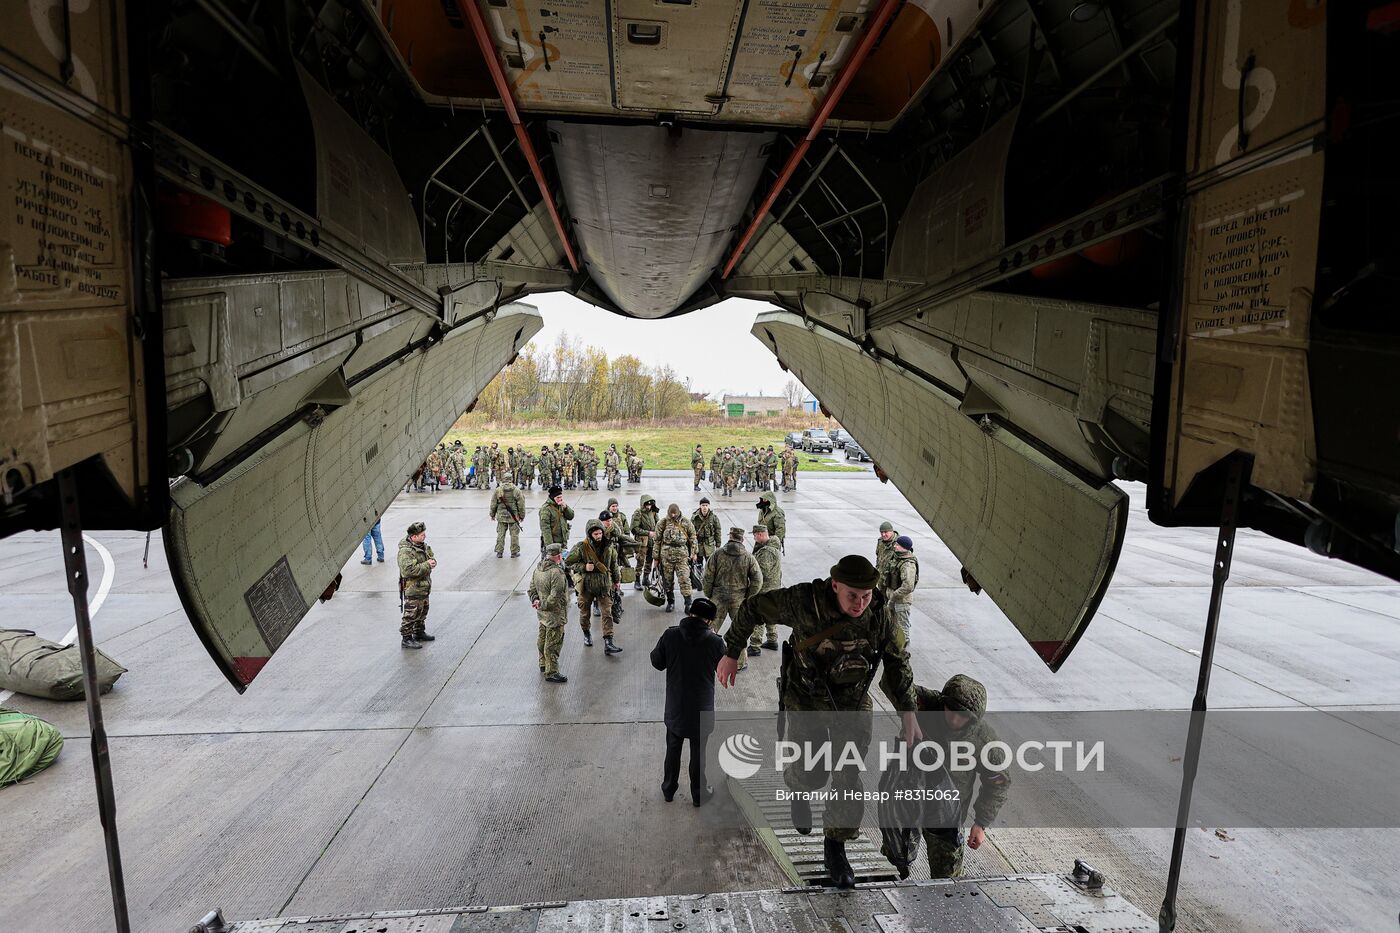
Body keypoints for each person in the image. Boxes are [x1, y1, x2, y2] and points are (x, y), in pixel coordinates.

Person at [716, 555, 921, 888]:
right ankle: (799, 790)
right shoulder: (803, 602)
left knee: (847, 775)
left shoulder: (879, 615)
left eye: (866, 596)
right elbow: (753, 608)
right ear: (835, 585)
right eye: (852, 595)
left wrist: (908, 712)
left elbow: (898, 663)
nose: (859, 604)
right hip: (806, 698)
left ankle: (835, 847)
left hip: (851, 704)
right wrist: (731, 651)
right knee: (809, 768)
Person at [911, 674, 1010, 877]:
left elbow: (998, 783)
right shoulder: (928, 705)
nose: (955, 719)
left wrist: (981, 823)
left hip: (946, 817)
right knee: (896, 860)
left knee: (949, 882)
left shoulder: (984, 741)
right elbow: (896, 686)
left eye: (962, 716)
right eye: (951, 711)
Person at [650, 596, 725, 806]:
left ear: (690, 613)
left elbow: (657, 662)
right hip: (702, 708)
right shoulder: (715, 642)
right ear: (709, 621)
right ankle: (699, 794)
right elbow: (723, 670)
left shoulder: (671, 635)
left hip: (675, 707)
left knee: (673, 750)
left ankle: (668, 789)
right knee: (699, 754)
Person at [702, 527, 761, 668]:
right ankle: (739, 663)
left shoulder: (717, 554)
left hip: (718, 598)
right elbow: (758, 580)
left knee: (709, 629)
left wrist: (709, 594)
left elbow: (707, 577)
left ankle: (706, 659)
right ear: (742, 540)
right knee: (739, 632)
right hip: (739, 600)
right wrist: (747, 597)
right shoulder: (748, 557)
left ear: (730, 537)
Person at [565, 518, 623, 653]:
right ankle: (586, 633)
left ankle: (608, 642)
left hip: (604, 585)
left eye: (600, 533)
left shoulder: (609, 547)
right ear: (590, 534)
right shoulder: (581, 547)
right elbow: (568, 562)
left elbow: (614, 565)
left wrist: (616, 581)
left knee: (607, 613)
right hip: (587, 587)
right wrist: (584, 567)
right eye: (595, 534)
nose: (598, 536)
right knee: (585, 613)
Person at [530, 544, 569, 683]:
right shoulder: (556, 573)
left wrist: (536, 601)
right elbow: (556, 595)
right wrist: (544, 605)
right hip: (555, 614)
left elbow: (531, 588)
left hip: (542, 614)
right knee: (553, 643)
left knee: (542, 639)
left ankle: (543, 663)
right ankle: (551, 671)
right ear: (558, 556)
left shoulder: (538, 569)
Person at [397, 521, 437, 649]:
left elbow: (431, 557)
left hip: (424, 586)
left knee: (422, 611)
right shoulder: (406, 552)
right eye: (421, 534)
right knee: (411, 614)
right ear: (414, 537)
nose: (424, 536)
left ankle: (419, 632)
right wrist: (427, 565)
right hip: (413, 588)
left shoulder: (422, 546)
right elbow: (408, 570)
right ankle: (406, 638)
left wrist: (433, 562)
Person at [654, 503, 697, 613]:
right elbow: (657, 541)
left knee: (684, 580)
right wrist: (656, 558)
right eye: (671, 514)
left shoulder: (686, 522)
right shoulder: (662, 523)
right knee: (667, 581)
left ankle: (688, 603)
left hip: (682, 557)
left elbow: (693, 538)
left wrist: (694, 553)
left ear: (678, 512)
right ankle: (671, 602)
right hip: (666, 557)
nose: (673, 516)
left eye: (675, 513)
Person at [749, 524, 782, 651]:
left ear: (761, 534)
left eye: (755, 535)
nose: (754, 538)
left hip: (765, 590)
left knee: (759, 616)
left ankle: (755, 645)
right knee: (771, 615)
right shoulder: (773, 546)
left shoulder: (767, 552)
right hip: (774, 588)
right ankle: (772, 639)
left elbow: (761, 572)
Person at [883, 536, 919, 633]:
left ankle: (903, 647)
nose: (895, 546)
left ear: (904, 547)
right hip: (894, 599)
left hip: (901, 601)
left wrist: (893, 597)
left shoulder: (908, 564)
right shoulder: (897, 557)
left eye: (897, 545)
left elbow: (908, 586)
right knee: (893, 626)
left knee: (902, 629)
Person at [490, 479, 526, 558]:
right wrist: (522, 516)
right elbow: (521, 504)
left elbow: (493, 503)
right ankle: (514, 552)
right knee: (514, 535)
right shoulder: (516, 490)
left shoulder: (498, 490)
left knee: (500, 534)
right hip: (513, 516)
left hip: (501, 516)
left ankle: (499, 552)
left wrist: (492, 514)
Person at [632, 494, 660, 590]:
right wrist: (648, 533)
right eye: (646, 505)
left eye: (650, 505)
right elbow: (634, 528)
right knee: (640, 560)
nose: (648, 507)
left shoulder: (653, 512)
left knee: (650, 560)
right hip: (642, 541)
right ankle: (637, 580)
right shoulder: (638, 513)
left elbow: (658, 524)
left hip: (652, 541)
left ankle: (646, 578)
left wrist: (657, 532)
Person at [539, 486, 574, 554]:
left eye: (561, 497)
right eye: (558, 498)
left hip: (563, 542)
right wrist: (550, 547)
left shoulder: (561, 506)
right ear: (552, 497)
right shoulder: (546, 509)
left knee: (563, 562)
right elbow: (545, 529)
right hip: (553, 543)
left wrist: (566, 508)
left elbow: (571, 516)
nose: (560, 499)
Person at [691, 498, 721, 563]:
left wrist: (718, 545)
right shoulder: (695, 518)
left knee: (710, 564)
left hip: (709, 546)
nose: (705, 507)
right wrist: (693, 550)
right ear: (700, 506)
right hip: (699, 545)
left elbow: (718, 531)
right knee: (698, 565)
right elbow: (691, 533)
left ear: (709, 506)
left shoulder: (713, 517)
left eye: (706, 505)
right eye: (703, 505)